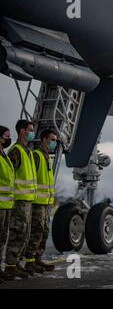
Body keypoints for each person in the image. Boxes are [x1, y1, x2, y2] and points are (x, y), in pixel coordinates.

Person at [4, 120, 37, 279]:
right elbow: (10, 175)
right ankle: (10, 265)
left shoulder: (27, 151)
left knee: (25, 233)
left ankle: (16, 263)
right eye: (30, 130)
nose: (32, 132)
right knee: (17, 232)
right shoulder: (16, 151)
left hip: (28, 200)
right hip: (18, 201)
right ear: (22, 131)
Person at [22, 129, 57, 273]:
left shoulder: (47, 156)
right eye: (52, 139)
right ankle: (29, 261)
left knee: (44, 231)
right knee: (36, 231)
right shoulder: (36, 155)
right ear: (43, 139)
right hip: (37, 202)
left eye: (55, 140)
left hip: (45, 202)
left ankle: (37, 258)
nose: (54, 142)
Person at [0, 126, 14, 283]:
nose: (9, 139)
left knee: (2, 239)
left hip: (6, 205)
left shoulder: (4, 155)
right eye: (6, 136)